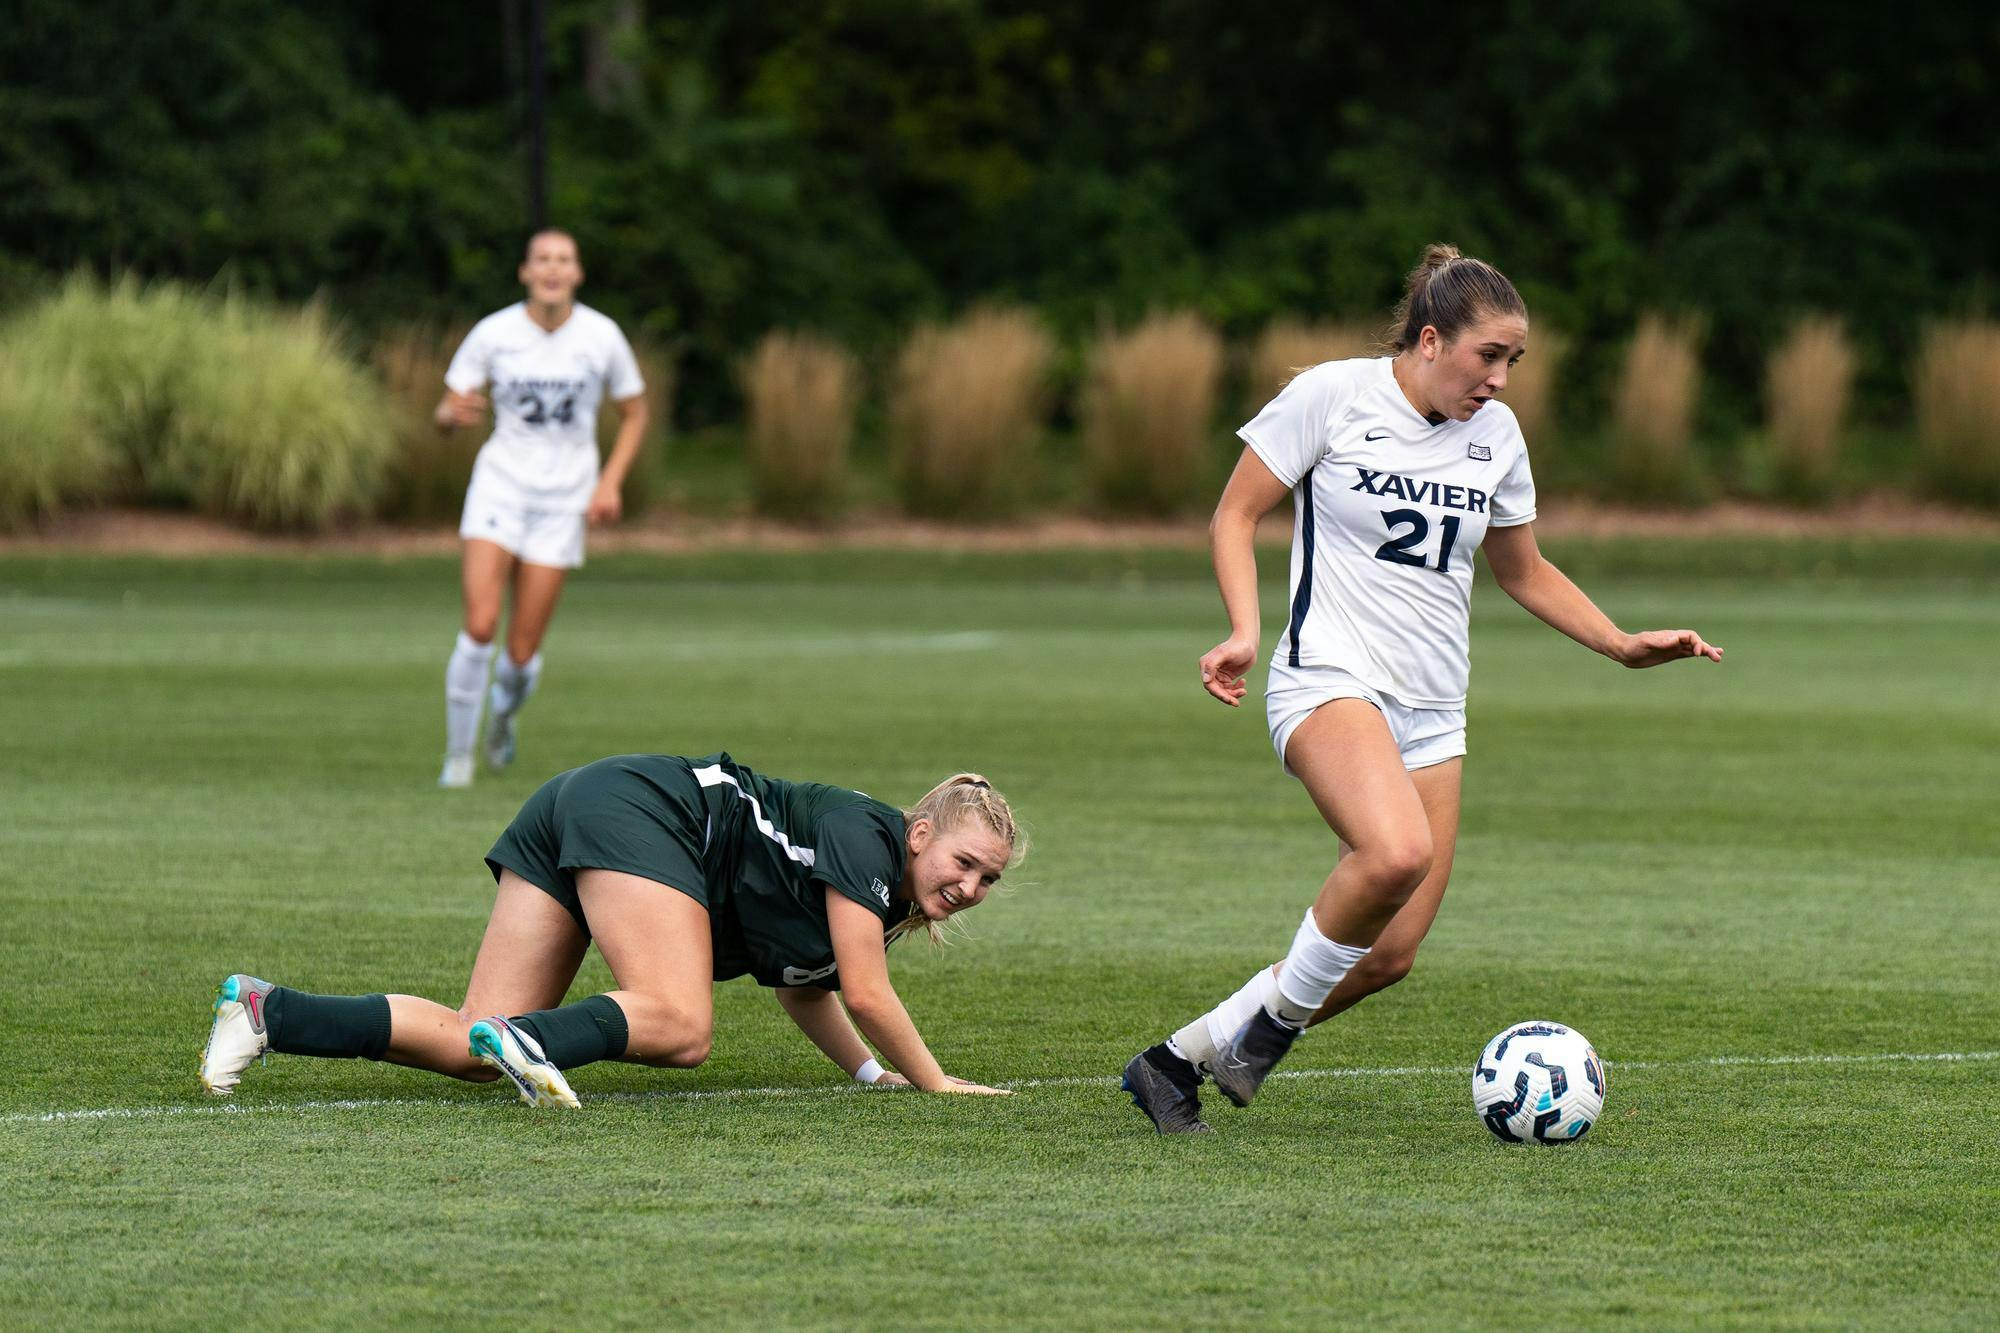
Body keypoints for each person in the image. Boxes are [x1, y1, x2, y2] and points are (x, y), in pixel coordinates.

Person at [1121, 244, 1724, 1134]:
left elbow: (1523, 569)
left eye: (1515, 361)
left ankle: (1173, 1063)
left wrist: (1620, 644)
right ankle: (1274, 1030)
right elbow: (1235, 512)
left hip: (1435, 711)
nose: (1502, 380)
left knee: (1389, 951)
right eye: (1490, 356)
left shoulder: (1498, 438)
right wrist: (1246, 631)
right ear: (1432, 339)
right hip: (1329, 677)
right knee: (1394, 853)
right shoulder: (1333, 396)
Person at [200, 754, 1023, 1105]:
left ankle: (271, 1012)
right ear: (920, 834)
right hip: (640, 811)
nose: (971, 884)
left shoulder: (870, 892)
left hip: (583, 803)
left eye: (988, 876)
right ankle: (534, 1043)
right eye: (965, 860)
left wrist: (873, 1076)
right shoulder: (865, 837)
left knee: (470, 1044)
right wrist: (936, 1083)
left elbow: (805, 985)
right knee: (680, 1021)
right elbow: (868, 990)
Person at [434, 229, 650, 789]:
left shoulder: (601, 336)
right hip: (500, 487)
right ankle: (458, 759)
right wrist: (449, 418)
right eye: (542, 259)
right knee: (480, 626)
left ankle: (502, 718)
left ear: (577, 273)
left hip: (563, 500)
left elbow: (635, 412)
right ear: (525, 272)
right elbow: (448, 405)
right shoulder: (495, 332)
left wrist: (610, 482)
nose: (553, 268)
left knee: (521, 653)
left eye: (564, 260)